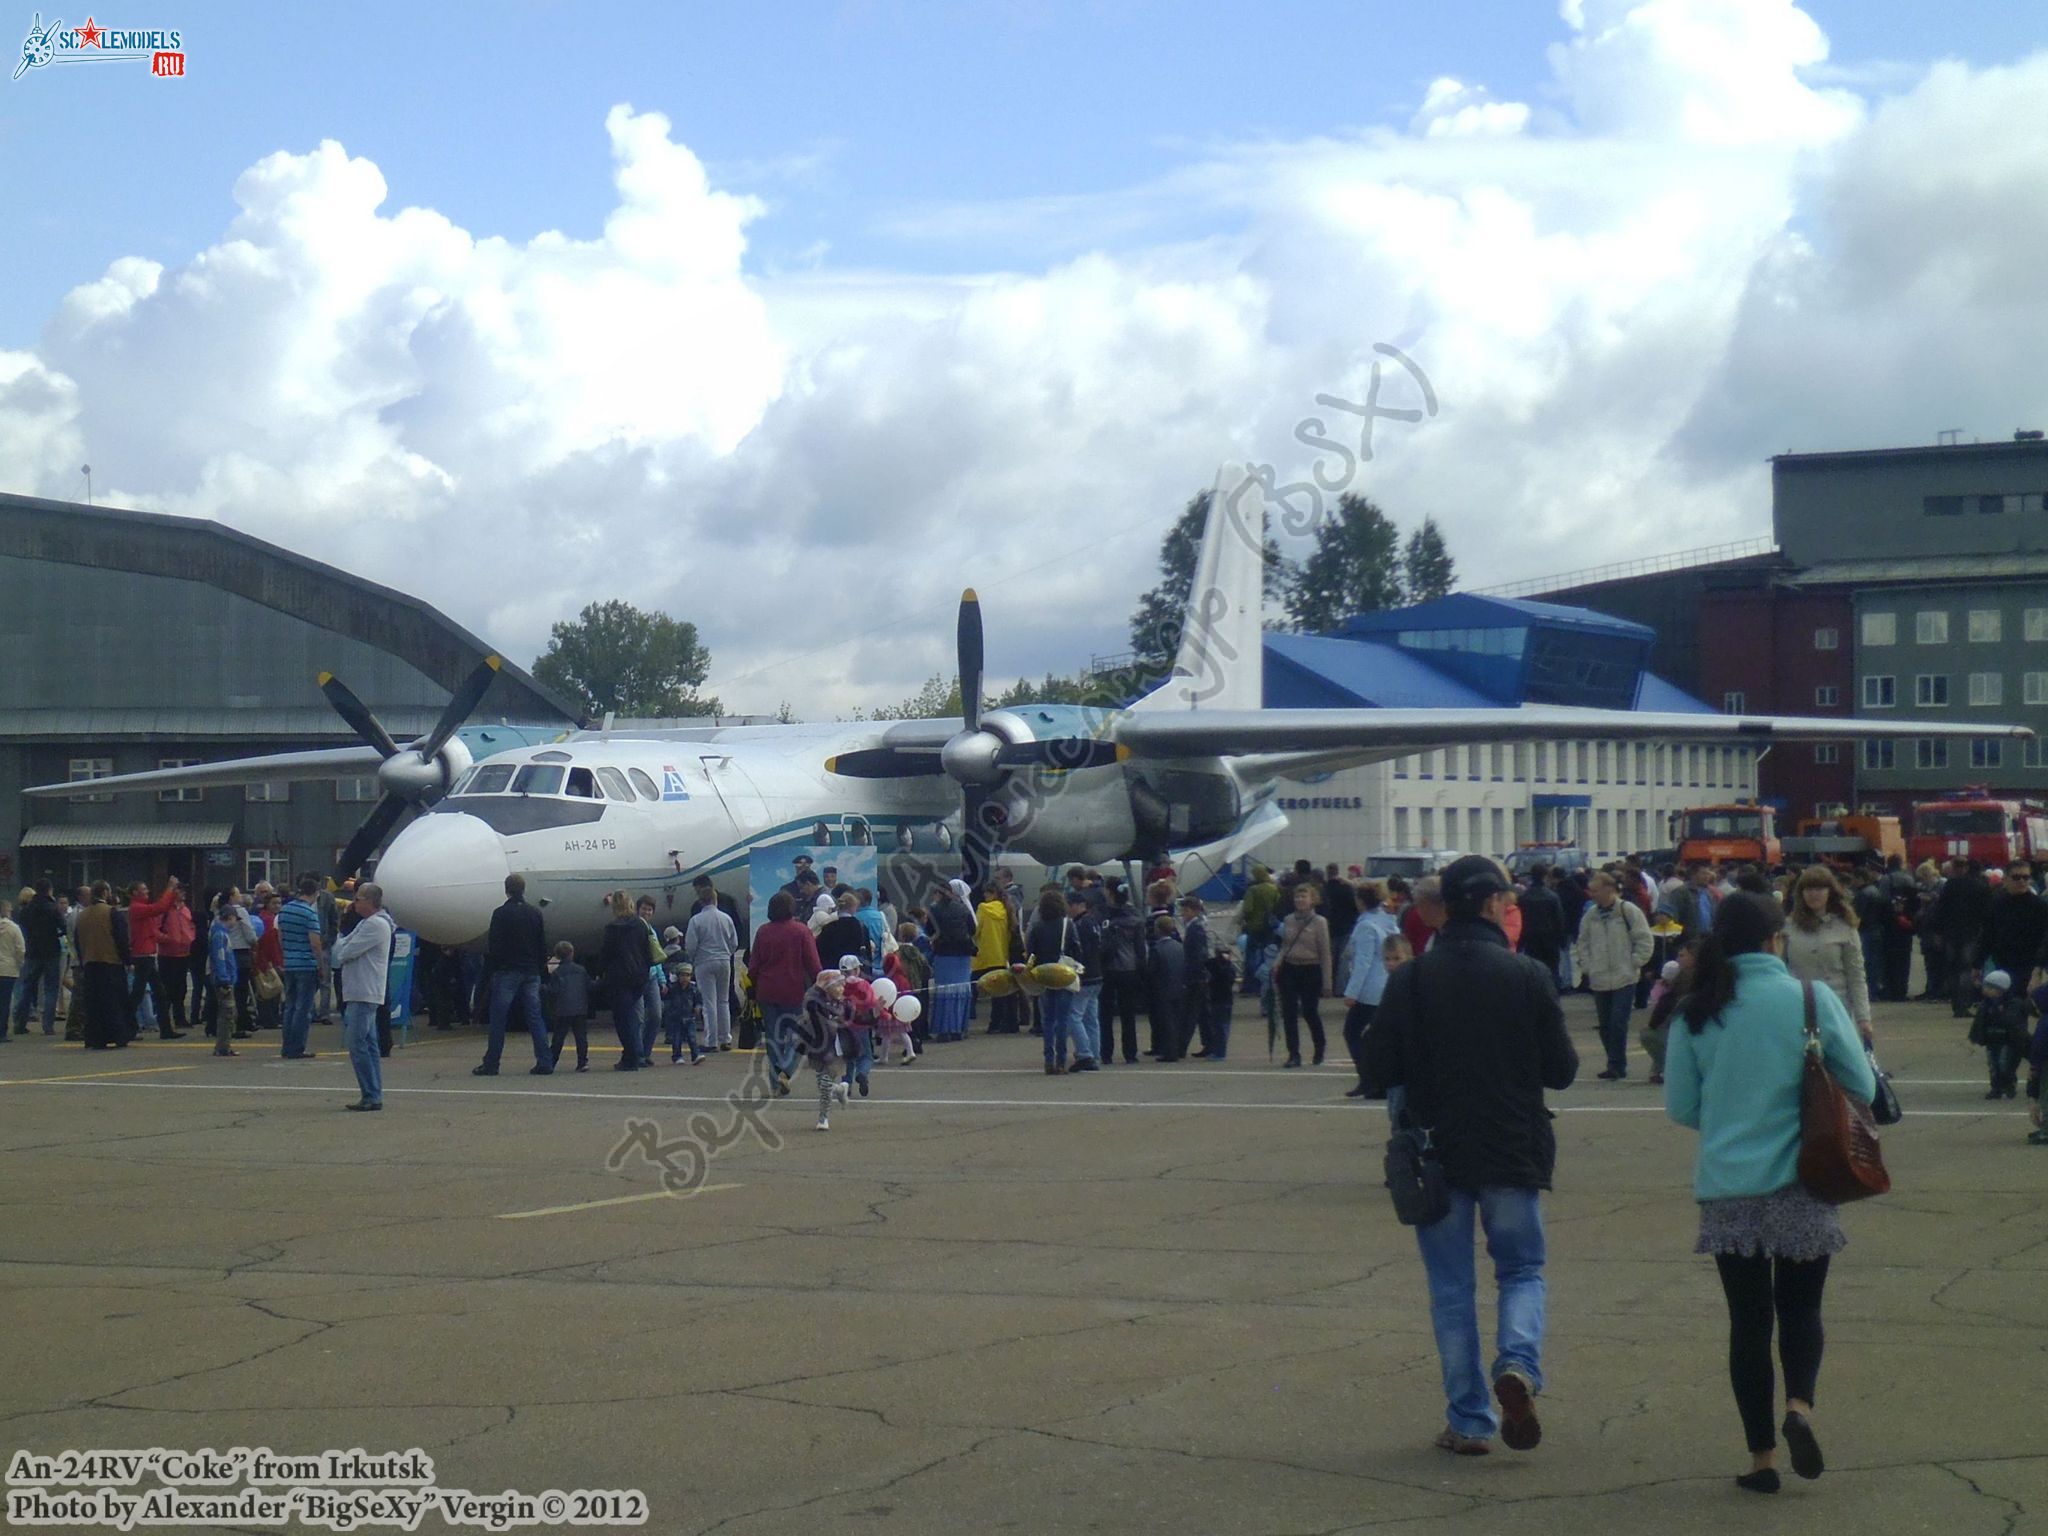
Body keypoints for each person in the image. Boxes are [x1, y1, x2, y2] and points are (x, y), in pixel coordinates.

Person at [1363, 855, 1578, 1457]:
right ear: (1489, 905)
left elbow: (1377, 1067)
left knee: (1451, 1288)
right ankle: (1517, 1361)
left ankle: (1470, 1419)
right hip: (1510, 1144)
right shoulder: (1528, 974)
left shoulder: (1412, 978)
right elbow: (1561, 1070)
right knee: (1522, 1269)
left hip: (1437, 1151)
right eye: (1506, 900)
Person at [1664, 891, 1874, 1492]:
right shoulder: (1810, 998)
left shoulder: (1696, 1010)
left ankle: (1760, 1462)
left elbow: (1681, 1105)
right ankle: (1799, 1409)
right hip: (1805, 1179)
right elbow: (1858, 1080)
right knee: (1801, 1308)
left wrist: (1733, 1116)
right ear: (1774, 939)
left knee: (1748, 1324)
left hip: (1730, 1188)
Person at [1573, 871, 1654, 1081]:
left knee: (1618, 1022)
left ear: (1609, 889)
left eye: (1595, 890)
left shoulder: (1628, 911)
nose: (1592, 894)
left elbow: (1644, 938)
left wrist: (1635, 962)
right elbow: (1582, 942)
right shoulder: (1590, 916)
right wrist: (1587, 966)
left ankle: (1617, 1065)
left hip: (1624, 977)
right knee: (1605, 1024)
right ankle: (1613, 1060)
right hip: (1599, 977)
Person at [1782, 866, 1872, 1043]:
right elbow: (1780, 969)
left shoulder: (1846, 927)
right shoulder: (1788, 927)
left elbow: (1856, 976)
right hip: (1799, 1009)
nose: (1813, 894)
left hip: (1837, 1009)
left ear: (1830, 892)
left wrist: (1864, 1018)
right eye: (1808, 889)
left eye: (1819, 888)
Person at [475, 874, 551, 1076]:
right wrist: (541, 970)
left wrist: (493, 969)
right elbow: (542, 945)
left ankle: (492, 1063)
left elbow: (494, 947)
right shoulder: (534, 913)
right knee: (535, 1016)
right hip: (531, 970)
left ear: (506, 890)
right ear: (523, 889)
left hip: (508, 970)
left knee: (498, 1018)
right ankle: (545, 1060)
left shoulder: (500, 914)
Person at [331, 882, 397, 1111]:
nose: (354, 902)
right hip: (360, 990)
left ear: (370, 901)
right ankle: (373, 1093)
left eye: (358, 898)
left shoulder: (375, 925)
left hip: (364, 990)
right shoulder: (367, 923)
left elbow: (343, 952)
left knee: (357, 1043)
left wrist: (343, 945)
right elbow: (342, 948)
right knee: (368, 1043)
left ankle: (370, 1093)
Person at [748, 891, 822, 1092]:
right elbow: (813, 964)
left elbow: (753, 965)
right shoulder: (801, 931)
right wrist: (821, 984)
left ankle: (774, 1080)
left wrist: (753, 986)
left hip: (767, 990)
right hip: (794, 990)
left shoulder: (763, 931)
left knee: (773, 1037)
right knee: (797, 1036)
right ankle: (786, 1070)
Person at [1340, 885, 1401, 1098]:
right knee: (1377, 1036)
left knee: (1352, 1033)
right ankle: (1376, 1080)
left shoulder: (1365, 926)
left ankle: (1367, 1078)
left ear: (1361, 901)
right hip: (1387, 984)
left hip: (1369, 988)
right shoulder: (1388, 921)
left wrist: (1352, 992)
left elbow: (1363, 961)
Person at [1025, 888, 1087, 1073]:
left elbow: (1031, 954)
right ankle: (1061, 1061)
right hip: (1063, 974)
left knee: (1048, 1020)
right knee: (1063, 1020)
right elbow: (1077, 950)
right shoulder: (1068, 925)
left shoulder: (1037, 926)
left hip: (1044, 975)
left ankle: (1048, 1060)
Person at [1273, 882, 1333, 1069]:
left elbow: (1325, 953)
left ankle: (1319, 1047)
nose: (1299, 900)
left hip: (1311, 969)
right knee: (1289, 1012)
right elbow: (1285, 944)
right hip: (1290, 968)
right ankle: (1293, 1054)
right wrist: (1277, 963)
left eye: (1303, 896)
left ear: (1312, 900)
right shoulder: (1289, 920)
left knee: (1309, 1011)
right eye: (1297, 897)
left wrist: (1327, 982)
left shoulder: (1320, 922)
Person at [123, 878, 184, 1040]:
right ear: (135, 892)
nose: (147, 891)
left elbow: (152, 930)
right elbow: (160, 907)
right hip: (143, 956)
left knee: (154, 993)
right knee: (143, 993)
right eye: (144, 889)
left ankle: (162, 1029)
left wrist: (167, 939)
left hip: (146, 955)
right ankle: (129, 1027)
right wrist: (170, 889)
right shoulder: (137, 908)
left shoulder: (140, 909)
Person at [685, 886, 741, 1052]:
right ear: (716, 900)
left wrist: (694, 959)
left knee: (709, 1002)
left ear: (701, 902)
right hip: (724, 960)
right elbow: (734, 942)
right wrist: (726, 953)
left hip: (704, 961)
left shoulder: (696, 920)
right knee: (723, 1000)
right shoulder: (726, 918)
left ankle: (711, 1041)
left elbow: (691, 945)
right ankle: (726, 1038)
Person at [74, 883, 129, 1050]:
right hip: (110, 962)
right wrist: (126, 959)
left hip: (90, 963)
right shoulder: (111, 912)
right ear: (105, 893)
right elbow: (121, 938)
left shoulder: (82, 916)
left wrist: (84, 960)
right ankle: (118, 1035)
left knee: (93, 1004)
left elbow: (77, 941)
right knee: (113, 1002)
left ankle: (95, 1038)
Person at [599, 892, 649, 1072]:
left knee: (622, 1019)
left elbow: (606, 955)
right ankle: (635, 1054)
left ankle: (631, 1055)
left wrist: (601, 973)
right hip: (638, 977)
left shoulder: (612, 928)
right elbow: (647, 951)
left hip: (619, 978)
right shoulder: (640, 925)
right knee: (634, 1017)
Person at [276, 876, 325, 1059]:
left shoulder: (285, 910)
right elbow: (315, 943)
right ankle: (297, 1047)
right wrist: (321, 965)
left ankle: (287, 1045)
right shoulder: (309, 913)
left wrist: (288, 953)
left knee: (289, 1005)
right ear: (315, 893)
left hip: (290, 963)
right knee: (303, 1008)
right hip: (306, 964)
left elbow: (280, 937)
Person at [1097, 885, 1146, 1066]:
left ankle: (1106, 1052)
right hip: (1129, 969)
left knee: (1105, 1014)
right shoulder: (1136, 919)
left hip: (1109, 969)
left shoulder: (1106, 918)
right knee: (1128, 1014)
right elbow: (1141, 949)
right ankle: (1130, 1053)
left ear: (1110, 894)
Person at [801, 967, 853, 1130]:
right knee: (821, 1082)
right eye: (837, 986)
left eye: (842, 986)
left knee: (824, 1084)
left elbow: (859, 1017)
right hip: (818, 1047)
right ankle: (839, 1089)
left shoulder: (844, 1004)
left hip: (837, 1049)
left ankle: (823, 1118)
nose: (841, 989)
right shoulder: (816, 1002)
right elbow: (810, 1000)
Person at [1970, 970, 2033, 1101]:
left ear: (2000, 990)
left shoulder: (2013, 1004)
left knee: (2005, 1064)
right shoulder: (1985, 1005)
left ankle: (2008, 1085)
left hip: (2008, 1041)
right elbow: (1979, 1023)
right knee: (1993, 1065)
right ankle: (1996, 1088)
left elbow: (2014, 1023)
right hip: (1992, 1040)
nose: (1985, 990)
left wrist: (2000, 1014)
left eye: (1989, 987)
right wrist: (1977, 1036)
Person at [12, 879, 65, 1036]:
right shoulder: (53, 908)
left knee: (27, 988)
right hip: (51, 952)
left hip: (32, 952)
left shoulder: (26, 910)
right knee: (51, 989)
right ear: (49, 890)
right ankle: (47, 1026)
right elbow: (63, 926)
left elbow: (23, 929)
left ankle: (19, 1023)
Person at [926, 880, 976, 1043]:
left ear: (939, 894)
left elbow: (929, 930)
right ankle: (959, 1028)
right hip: (963, 955)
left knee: (944, 992)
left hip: (944, 954)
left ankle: (944, 1029)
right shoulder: (962, 907)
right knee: (961, 992)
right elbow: (972, 929)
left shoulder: (934, 909)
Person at [1066, 888, 1105, 1068]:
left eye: (1069, 905)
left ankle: (1084, 1054)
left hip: (1084, 976)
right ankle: (1094, 1053)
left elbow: (1079, 951)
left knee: (1073, 1016)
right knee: (1091, 1018)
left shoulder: (1079, 925)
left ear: (1077, 905)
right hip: (1097, 975)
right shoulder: (1094, 922)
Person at [973, 884, 1019, 1033]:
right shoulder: (1007, 910)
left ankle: (972, 1020)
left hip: (984, 956)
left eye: (986, 894)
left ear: (991, 894)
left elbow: (975, 930)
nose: (984, 897)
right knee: (1000, 993)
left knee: (973, 987)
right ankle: (1001, 1023)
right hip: (1001, 956)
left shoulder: (983, 908)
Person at [206, 894, 245, 1058]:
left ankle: (223, 1045)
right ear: (229, 918)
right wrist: (224, 979)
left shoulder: (218, 932)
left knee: (227, 1013)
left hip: (225, 977)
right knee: (227, 1013)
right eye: (235, 919)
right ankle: (223, 1046)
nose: (235, 922)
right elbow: (220, 958)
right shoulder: (220, 935)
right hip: (224, 979)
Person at [1144, 915, 1184, 1069]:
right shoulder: (1179, 947)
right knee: (1174, 1020)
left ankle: (1169, 1051)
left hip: (1162, 990)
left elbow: (1152, 972)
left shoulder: (1157, 949)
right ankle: (1173, 1049)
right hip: (1177, 987)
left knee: (1165, 1022)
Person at [544, 941, 591, 1071]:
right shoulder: (581, 970)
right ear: (572, 953)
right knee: (581, 1037)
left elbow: (554, 990)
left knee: (558, 1038)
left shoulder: (557, 973)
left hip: (563, 1009)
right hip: (580, 1008)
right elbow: (589, 986)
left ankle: (552, 1061)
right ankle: (582, 1062)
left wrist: (544, 989)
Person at [0, 899, 22, 1038]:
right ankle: (2, 1031)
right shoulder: (13, 927)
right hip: (8, 969)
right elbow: (21, 949)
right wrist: (19, 964)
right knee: (5, 1001)